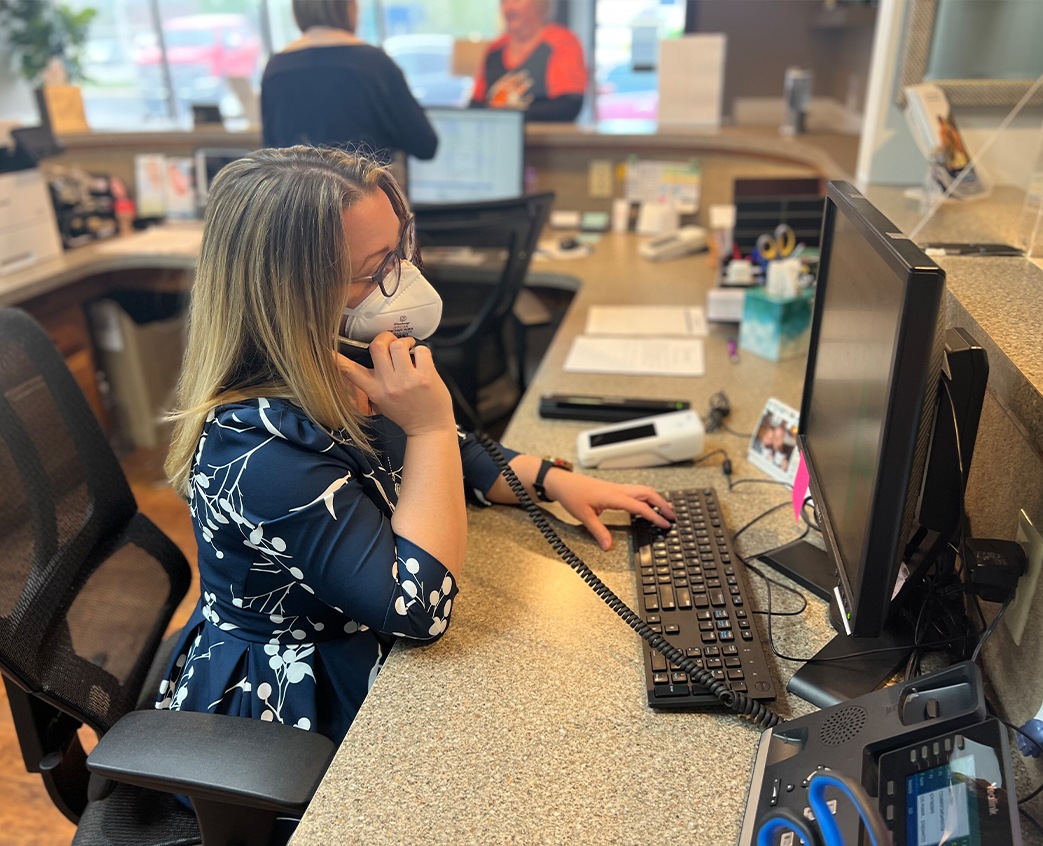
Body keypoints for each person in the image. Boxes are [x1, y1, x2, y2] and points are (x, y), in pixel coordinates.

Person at [155, 146, 675, 756]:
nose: (400, 284)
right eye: (374, 269)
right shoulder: (256, 446)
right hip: (294, 706)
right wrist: (428, 428)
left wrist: (556, 480)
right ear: (292, 292)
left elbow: (455, 456)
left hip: (370, 654)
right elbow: (417, 607)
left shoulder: (340, 355)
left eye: (399, 253)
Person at [260, 0, 437, 161]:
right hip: (364, 193)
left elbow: (271, 149)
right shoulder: (375, 64)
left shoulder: (276, 68)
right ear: (349, 7)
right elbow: (425, 145)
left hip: (296, 195)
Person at [470, 0, 587, 122]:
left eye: (516, 1)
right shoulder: (495, 49)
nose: (508, 8)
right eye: (504, 2)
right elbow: (476, 103)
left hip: (541, 138)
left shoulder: (562, 42)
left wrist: (507, 114)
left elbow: (568, 105)